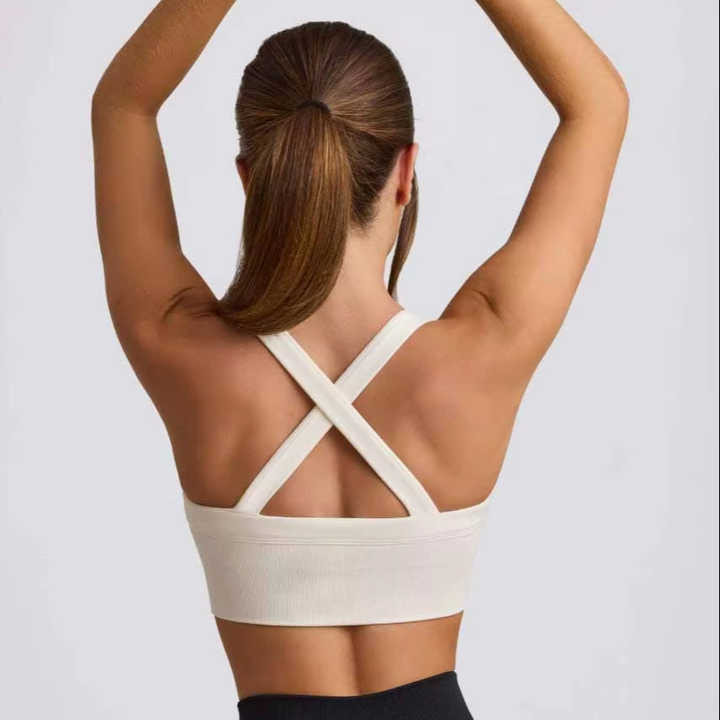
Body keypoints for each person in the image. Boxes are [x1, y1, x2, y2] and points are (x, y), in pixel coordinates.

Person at [91, 1, 628, 717]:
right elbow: (598, 104)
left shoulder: (178, 348)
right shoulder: (484, 351)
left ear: (251, 179)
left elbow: (123, 105)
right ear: (405, 172)